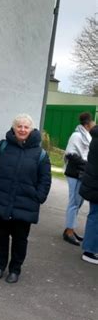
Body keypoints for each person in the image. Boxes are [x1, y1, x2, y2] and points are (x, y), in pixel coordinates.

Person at [0, 114, 51, 283]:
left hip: (25, 203)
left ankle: (15, 270)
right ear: (13, 128)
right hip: (1, 198)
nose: (22, 130)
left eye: (25, 127)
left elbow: (45, 179)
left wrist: (38, 197)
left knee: (20, 239)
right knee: (0, 235)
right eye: (19, 126)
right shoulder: (3, 146)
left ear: (31, 129)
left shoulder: (40, 154)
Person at [62, 112, 95, 246]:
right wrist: (87, 164)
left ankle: (70, 228)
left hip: (83, 173)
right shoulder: (76, 136)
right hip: (75, 173)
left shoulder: (87, 136)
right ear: (87, 124)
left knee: (78, 203)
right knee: (74, 203)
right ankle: (69, 232)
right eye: (92, 122)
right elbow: (70, 154)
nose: (93, 124)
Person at [79, 124, 98, 264]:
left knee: (94, 216)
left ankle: (90, 247)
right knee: (95, 217)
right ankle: (89, 250)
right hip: (95, 185)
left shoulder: (95, 136)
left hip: (93, 184)